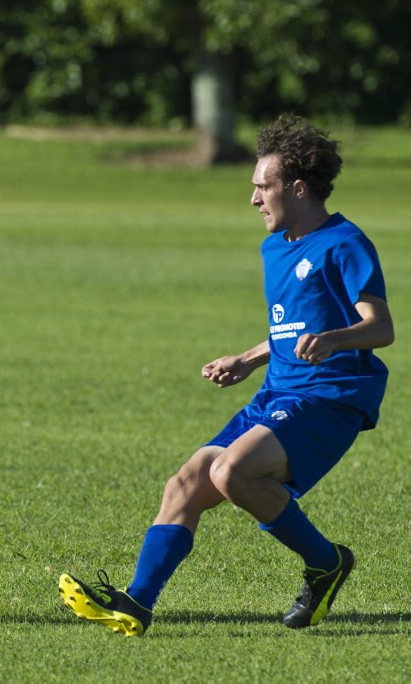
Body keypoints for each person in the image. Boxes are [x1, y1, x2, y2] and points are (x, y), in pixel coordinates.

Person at [58, 115, 394, 637]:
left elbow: (380, 327)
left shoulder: (345, 243)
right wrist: (250, 356)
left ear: (298, 188)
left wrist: (334, 340)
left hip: (330, 397)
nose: (255, 199)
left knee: (231, 472)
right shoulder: (275, 247)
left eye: (264, 187)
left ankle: (327, 562)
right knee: (187, 482)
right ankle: (136, 604)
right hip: (278, 392)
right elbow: (296, 327)